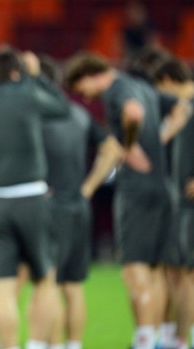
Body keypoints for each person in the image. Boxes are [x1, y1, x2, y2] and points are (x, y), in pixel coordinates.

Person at [64, 52, 189, 349]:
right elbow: (183, 109)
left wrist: (129, 147)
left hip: (137, 190)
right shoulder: (143, 86)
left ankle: (144, 339)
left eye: (83, 89)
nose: (87, 96)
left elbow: (133, 113)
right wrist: (160, 140)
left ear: (90, 75)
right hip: (164, 187)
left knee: (135, 268)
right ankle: (159, 338)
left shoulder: (117, 91)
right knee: (156, 268)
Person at [0, 45, 68, 349]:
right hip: (32, 198)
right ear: (18, 72)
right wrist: (35, 78)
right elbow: (61, 107)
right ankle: (35, 344)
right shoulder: (28, 94)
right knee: (44, 280)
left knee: (2, 290)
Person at [39, 55, 123, 349]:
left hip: (51, 208)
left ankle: (54, 345)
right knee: (73, 286)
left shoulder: (39, 116)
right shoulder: (79, 114)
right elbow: (112, 148)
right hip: (79, 206)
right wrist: (88, 187)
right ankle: (73, 345)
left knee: (49, 285)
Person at [153, 57, 194, 349]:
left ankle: (184, 340)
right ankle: (177, 339)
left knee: (189, 273)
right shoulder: (183, 110)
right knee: (178, 271)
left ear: (168, 80)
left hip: (190, 206)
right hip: (180, 203)